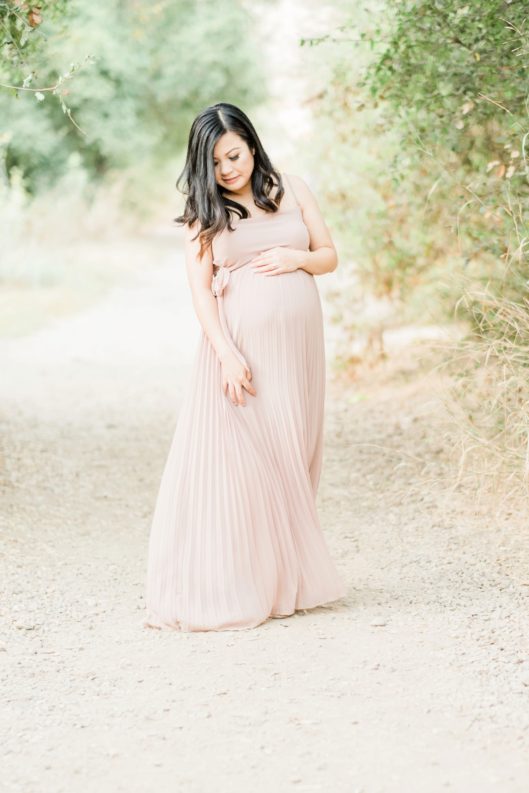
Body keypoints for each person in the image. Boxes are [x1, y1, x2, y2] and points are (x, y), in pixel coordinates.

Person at [144, 102, 347, 632]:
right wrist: (227, 355)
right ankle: (244, 581)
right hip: (243, 356)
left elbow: (329, 255)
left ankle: (287, 580)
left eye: (233, 155)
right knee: (250, 463)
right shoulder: (203, 215)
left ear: (252, 145)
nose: (228, 169)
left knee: (294, 452)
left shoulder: (293, 188)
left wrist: (297, 259)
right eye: (215, 163)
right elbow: (201, 297)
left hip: (299, 349)